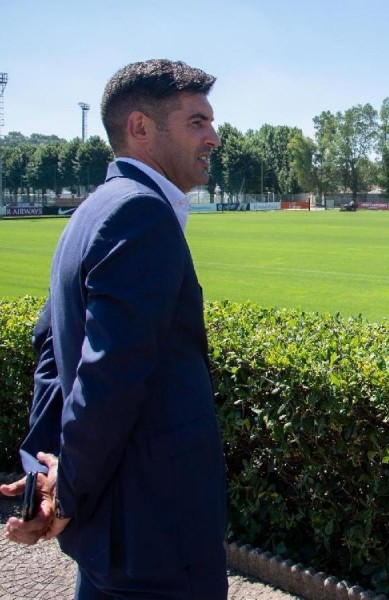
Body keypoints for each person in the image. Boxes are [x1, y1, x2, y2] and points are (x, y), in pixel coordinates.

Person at [1, 59, 227, 599]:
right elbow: (107, 378)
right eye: (197, 121)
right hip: (156, 540)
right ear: (141, 127)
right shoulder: (141, 213)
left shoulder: (93, 209)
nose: (214, 137)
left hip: (110, 536)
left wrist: (44, 483)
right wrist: (68, 495)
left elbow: (53, 357)